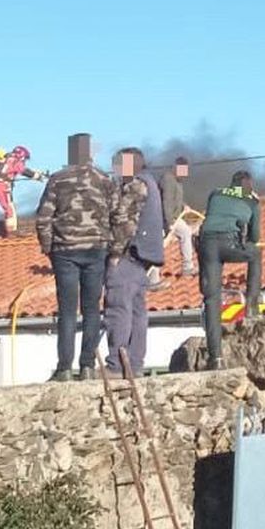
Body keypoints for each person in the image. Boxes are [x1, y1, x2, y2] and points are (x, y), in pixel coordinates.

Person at [36, 133, 116, 381]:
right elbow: (117, 216)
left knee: (68, 311)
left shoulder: (58, 179)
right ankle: (88, 365)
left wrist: (49, 248)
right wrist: (112, 248)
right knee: (93, 310)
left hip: (65, 251)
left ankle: (64, 369)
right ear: (91, 153)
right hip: (96, 249)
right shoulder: (104, 180)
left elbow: (43, 218)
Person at [104, 148, 165, 378]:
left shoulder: (136, 185)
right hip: (144, 257)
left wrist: (115, 253)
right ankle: (135, 365)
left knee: (118, 307)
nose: (116, 170)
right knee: (138, 310)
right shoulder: (152, 184)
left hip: (128, 253)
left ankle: (116, 365)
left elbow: (123, 222)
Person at [198, 170, 262, 370]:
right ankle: (251, 305)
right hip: (230, 243)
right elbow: (255, 236)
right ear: (249, 185)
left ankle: (215, 358)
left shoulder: (215, 193)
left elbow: (210, 216)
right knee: (256, 254)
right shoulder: (252, 200)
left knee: (212, 299)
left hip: (207, 245)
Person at [0, 145, 43, 237]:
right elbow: (24, 171)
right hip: (2, 187)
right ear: (21, 156)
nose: (24, 161)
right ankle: (11, 231)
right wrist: (38, 176)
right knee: (9, 208)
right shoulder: (14, 161)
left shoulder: (2, 159)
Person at [151, 155, 196, 287]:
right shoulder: (168, 179)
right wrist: (169, 222)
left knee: (186, 232)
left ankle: (187, 267)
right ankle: (153, 279)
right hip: (161, 219)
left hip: (175, 219)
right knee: (158, 246)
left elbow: (177, 200)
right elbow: (167, 202)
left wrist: (184, 206)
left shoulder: (178, 182)